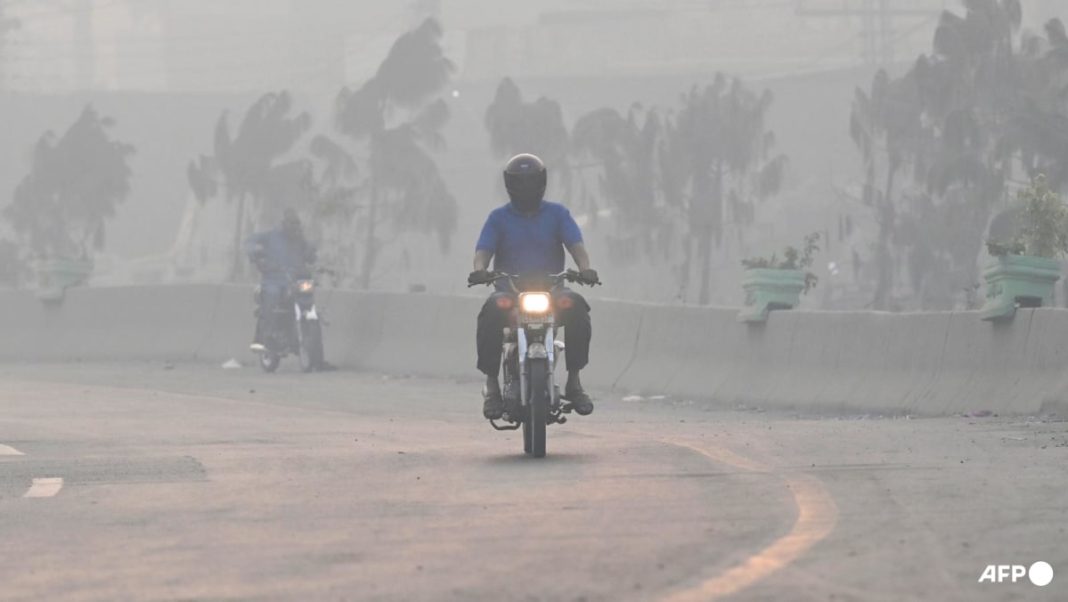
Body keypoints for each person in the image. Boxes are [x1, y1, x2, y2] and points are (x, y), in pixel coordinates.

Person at [468, 153, 600, 420]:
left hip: (553, 292)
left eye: (531, 182)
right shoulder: (498, 218)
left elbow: (576, 246)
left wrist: (585, 269)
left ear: (541, 183)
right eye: (521, 182)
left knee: (576, 306)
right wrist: (479, 270)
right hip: (510, 294)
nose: (526, 188)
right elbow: (483, 250)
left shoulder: (558, 214)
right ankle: (492, 385)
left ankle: (574, 381)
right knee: (491, 310)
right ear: (510, 185)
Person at [245, 209, 317, 351]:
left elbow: (310, 253)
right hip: (274, 280)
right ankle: (267, 336)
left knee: (308, 294)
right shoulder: (271, 236)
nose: (294, 227)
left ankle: (308, 329)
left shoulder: (300, 240)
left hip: (296, 280)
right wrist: (256, 253)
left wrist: (311, 253)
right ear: (284, 223)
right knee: (273, 295)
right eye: (291, 223)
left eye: (297, 224)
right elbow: (250, 241)